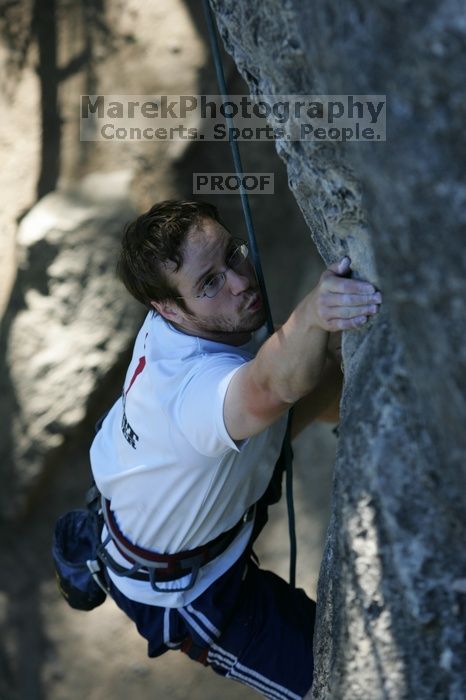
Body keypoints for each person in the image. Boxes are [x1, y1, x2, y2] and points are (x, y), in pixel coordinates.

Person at [90, 200, 382, 700]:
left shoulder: (193, 325)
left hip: (140, 480)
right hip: (190, 587)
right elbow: (269, 388)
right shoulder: (190, 391)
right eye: (209, 284)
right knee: (342, 686)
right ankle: (88, 555)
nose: (240, 282)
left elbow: (306, 386)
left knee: (312, 371)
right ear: (167, 309)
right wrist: (312, 313)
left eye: (233, 254)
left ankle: (87, 547)